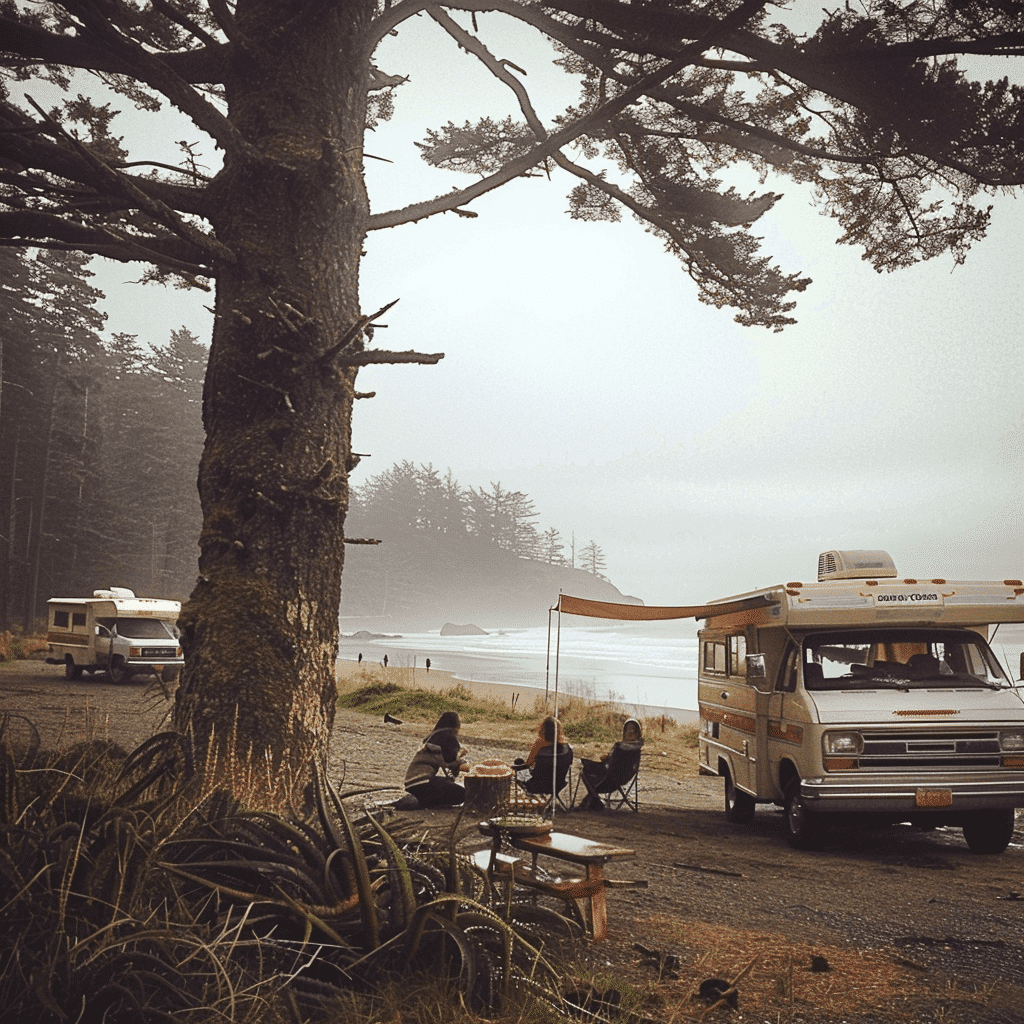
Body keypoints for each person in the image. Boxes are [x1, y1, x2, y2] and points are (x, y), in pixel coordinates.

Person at [403, 710, 469, 808]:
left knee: (448, 783)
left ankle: (426, 802)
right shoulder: (448, 737)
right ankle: (429, 803)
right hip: (421, 783)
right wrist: (464, 763)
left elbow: (442, 759)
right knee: (462, 794)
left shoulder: (434, 735)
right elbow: (450, 761)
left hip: (411, 784)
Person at [577, 718, 643, 812]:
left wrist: (606, 760)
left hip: (610, 780)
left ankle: (595, 802)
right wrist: (608, 759)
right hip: (624, 778)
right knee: (589, 768)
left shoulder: (619, 747)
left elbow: (610, 766)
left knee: (585, 770)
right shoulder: (637, 748)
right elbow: (620, 764)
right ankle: (595, 801)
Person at [513, 715, 573, 795]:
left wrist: (512, 768)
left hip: (535, 786)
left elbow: (529, 764)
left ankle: (530, 793)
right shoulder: (567, 747)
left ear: (543, 729)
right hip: (558, 786)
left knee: (519, 762)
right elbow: (570, 764)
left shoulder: (539, 743)